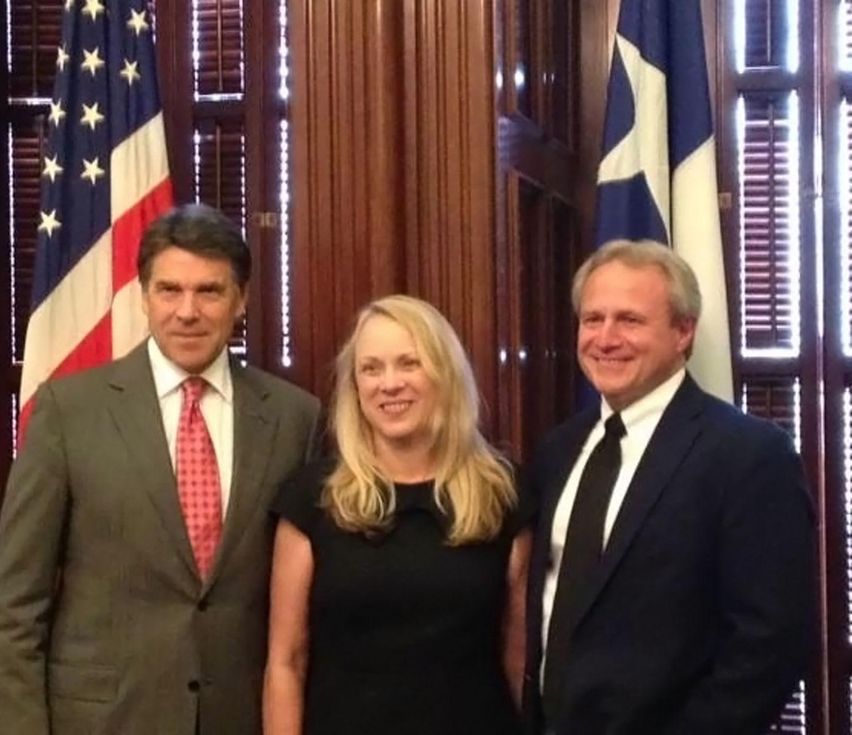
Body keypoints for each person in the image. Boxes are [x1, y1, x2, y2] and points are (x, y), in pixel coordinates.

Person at [0, 203, 321, 735]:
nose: (188, 311)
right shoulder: (69, 412)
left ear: (242, 300)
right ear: (143, 296)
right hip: (104, 720)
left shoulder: (295, 419)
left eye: (209, 291)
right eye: (169, 290)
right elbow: (12, 605)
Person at [522, 240, 816, 735]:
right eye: (592, 319)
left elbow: (770, 645)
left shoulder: (749, 456)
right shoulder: (557, 451)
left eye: (630, 320)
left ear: (684, 332)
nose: (605, 338)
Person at [263, 294, 533, 735]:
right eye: (371, 368)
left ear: (444, 374)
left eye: (409, 363)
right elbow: (286, 662)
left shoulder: (503, 494)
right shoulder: (313, 497)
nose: (389, 384)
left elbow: (518, 655)